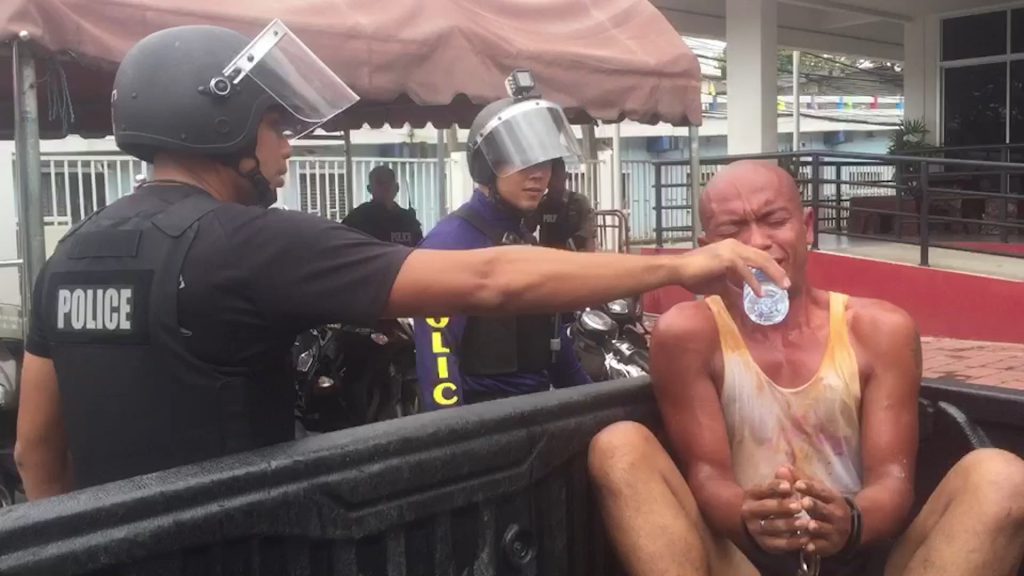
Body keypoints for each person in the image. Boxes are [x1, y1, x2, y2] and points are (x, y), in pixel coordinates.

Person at [13, 23, 787, 502]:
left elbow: (37, 450)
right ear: (224, 126)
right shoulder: (249, 243)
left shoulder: (73, 254)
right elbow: (489, 280)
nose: (288, 146)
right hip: (244, 544)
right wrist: (686, 264)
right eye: (276, 126)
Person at [586, 160, 1024, 576]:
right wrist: (747, 513)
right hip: (740, 559)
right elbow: (707, 475)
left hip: (859, 552)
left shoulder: (877, 330)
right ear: (709, 249)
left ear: (807, 226)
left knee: (1003, 476)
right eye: (734, 230)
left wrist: (849, 523)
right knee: (619, 446)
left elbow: (892, 481)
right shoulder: (689, 334)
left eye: (775, 220)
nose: (757, 243)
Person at [413, 84, 596, 410]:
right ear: (486, 166)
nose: (539, 175)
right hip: (487, 422)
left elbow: (554, 343)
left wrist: (597, 406)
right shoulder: (450, 245)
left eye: (546, 162)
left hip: (537, 413)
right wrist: (455, 445)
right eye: (522, 160)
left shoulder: (524, 238)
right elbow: (439, 371)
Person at [524, 158, 596, 251]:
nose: (553, 182)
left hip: (573, 256)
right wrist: (533, 242)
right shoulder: (541, 203)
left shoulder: (578, 202)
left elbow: (589, 234)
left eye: (556, 177)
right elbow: (527, 228)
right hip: (548, 256)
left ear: (565, 177)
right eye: (550, 177)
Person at [342, 165, 423, 247]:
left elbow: (419, 250)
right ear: (369, 189)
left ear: (397, 187)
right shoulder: (357, 218)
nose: (385, 187)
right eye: (380, 183)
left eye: (389, 182)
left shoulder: (408, 220)